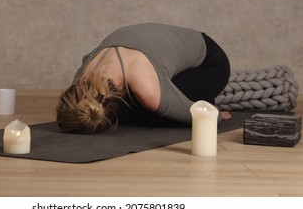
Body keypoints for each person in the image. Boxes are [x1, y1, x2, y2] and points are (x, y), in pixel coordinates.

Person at [56, 23, 230, 133]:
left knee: (145, 111)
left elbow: (197, 115)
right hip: (160, 49)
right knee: (135, 108)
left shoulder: (145, 87)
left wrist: (215, 115)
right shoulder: (81, 75)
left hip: (209, 63)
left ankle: (196, 96)